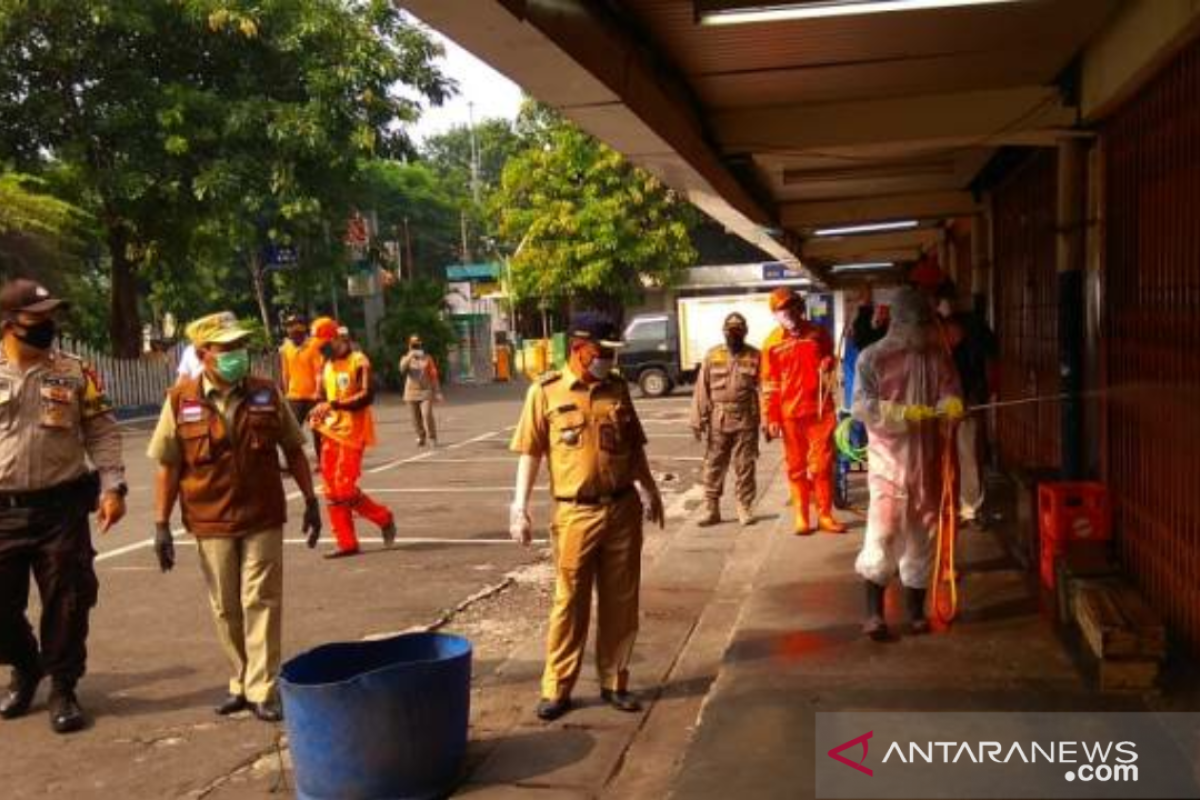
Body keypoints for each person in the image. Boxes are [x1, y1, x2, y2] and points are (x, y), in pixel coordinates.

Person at [150, 312, 321, 722]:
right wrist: (161, 524)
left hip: (262, 512)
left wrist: (311, 500)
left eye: (239, 346)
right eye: (226, 348)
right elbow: (168, 465)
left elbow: (293, 449)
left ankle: (264, 688)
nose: (236, 355)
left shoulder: (265, 392)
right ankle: (241, 681)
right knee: (225, 606)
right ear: (202, 353)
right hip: (209, 517)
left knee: (260, 598)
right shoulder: (181, 399)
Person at [508, 312, 665, 722]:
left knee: (621, 601)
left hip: (622, 509)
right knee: (569, 603)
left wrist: (650, 489)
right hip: (575, 514)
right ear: (579, 349)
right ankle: (557, 688)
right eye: (601, 353)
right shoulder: (545, 392)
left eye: (611, 355)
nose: (608, 362)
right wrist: (518, 507)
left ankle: (615, 681)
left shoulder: (617, 390)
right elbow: (531, 452)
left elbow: (634, 446)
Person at [0, 279, 127, 734]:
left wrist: (113, 486)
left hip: (61, 507)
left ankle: (62, 687)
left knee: (69, 600)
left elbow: (102, 431)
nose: (49, 326)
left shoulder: (76, 372)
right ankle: (25, 662)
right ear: (10, 324)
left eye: (52, 317)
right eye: (39, 319)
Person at [852, 287, 964, 640]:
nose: (923, 331)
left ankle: (916, 611)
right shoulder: (871, 358)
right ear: (899, 323)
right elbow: (861, 407)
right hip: (889, 462)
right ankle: (874, 614)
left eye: (926, 323)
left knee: (923, 534)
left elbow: (952, 391)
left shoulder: (938, 358)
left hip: (929, 461)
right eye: (917, 324)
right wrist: (901, 413)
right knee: (883, 532)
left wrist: (952, 404)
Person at [761, 288, 846, 535]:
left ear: (800, 307)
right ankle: (801, 516)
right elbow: (769, 384)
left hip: (820, 411)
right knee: (796, 467)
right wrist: (771, 417)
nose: (786, 313)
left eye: (790, 307)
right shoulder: (771, 344)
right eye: (780, 309)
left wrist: (828, 361)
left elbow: (830, 356)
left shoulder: (818, 334)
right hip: (789, 415)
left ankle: (825, 515)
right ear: (775, 314)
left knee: (822, 466)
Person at [310, 325, 396, 558]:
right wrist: (318, 406)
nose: (323, 351)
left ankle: (383, 517)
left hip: (353, 432)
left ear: (338, 339)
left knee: (344, 488)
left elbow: (367, 396)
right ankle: (346, 543)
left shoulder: (359, 361)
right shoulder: (326, 364)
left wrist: (334, 404)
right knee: (331, 490)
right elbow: (321, 396)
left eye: (326, 346)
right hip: (330, 430)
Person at [934, 282, 999, 527]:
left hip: (969, 400)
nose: (946, 304)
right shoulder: (930, 327)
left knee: (968, 454)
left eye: (950, 299)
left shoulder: (975, 327)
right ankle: (944, 505)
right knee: (940, 457)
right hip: (937, 405)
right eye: (942, 300)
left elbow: (991, 353)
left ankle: (970, 508)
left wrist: (981, 392)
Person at [690, 312, 761, 527]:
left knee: (745, 465)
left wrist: (769, 420)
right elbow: (701, 388)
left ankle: (744, 507)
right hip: (718, 419)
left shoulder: (755, 356)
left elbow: (765, 389)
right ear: (724, 333)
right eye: (730, 331)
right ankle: (712, 509)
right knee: (713, 464)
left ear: (745, 332)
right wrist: (697, 418)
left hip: (746, 418)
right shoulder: (713, 356)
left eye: (738, 331)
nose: (734, 335)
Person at [279, 313, 326, 462]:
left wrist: (318, 392)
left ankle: (322, 461)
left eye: (296, 326)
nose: (293, 330)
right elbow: (285, 373)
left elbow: (318, 371)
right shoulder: (285, 348)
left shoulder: (313, 345)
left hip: (313, 396)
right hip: (294, 396)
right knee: (289, 433)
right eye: (290, 327)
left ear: (303, 328)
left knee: (318, 431)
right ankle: (290, 463)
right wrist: (285, 393)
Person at [399, 334, 443, 448]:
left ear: (421, 344)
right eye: (413, 344)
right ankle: (421, 436)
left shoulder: (428, 358)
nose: (415, 346)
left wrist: (437, 391)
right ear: (409, 345)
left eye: (417, 343)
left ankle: (432, 437)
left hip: (425, 391)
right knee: (415, 419)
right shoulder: (405, 358)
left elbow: (433, 376)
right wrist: (410, 355)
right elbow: (401, 369)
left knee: (427, 414)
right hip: (411, 393)